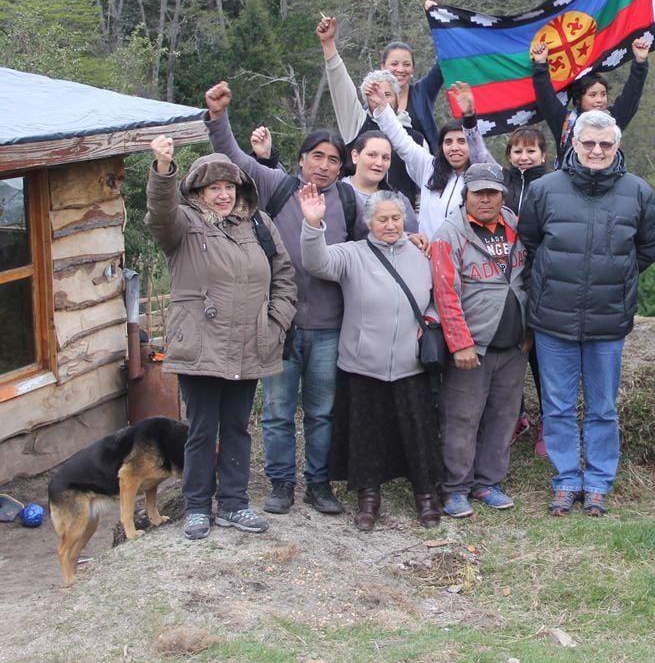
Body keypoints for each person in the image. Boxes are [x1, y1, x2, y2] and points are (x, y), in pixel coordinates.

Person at [203, 81, 350, 517]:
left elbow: (365, 255)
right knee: (278, 412)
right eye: (317, 156)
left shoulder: (348, 201)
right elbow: (236, 158)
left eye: (333, 160)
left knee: (322, 413)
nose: (323, 166)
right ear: (302, 159)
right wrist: (218, 118)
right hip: (279, 324)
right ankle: (281, 484)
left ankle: (319, 485)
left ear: (342, 168)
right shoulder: (278, 186)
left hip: (328, 327)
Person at [144, 136, 297, 540]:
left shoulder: (259, 225)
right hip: (201, 345)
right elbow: (160, 215)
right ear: (198, 192)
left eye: (229, 187)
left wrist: (276, 322)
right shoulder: (184, 225)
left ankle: (233, 503)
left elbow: (284, 275)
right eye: (214, 188)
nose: (224, 195)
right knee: (201, 429)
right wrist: (163, 170)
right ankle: (197, 506)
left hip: (250, 342)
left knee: (237, 427)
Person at [517, 110, 655, 517]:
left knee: (602, 407)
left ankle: (598, 481)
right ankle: (566, 479)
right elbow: (528, 242)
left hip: (607, 318)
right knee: (558, 405)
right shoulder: (545, 189)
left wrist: (617, 277)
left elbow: (649, 247)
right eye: (589, 143)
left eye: (605, 144)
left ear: (616, 147)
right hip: (553, 317)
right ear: (574, 145)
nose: (596, 150)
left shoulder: (637, 192)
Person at [298, 184, 443, 530]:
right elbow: (316, 262)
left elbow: (438, 295)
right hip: (363, 364)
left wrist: (431, 321)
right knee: (367, 434)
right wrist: (312, 224)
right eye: (382, 219)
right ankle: (368, 497)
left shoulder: (422, 253)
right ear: (368, 222)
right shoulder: (352, 254)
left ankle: (425, 495)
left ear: (405, 219)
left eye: (396, 218)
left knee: (418, 434)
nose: (391, 225)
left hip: (411, 364)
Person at [431, 163, 530, 518]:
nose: (486, 199)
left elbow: (530, 278)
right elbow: (445, 292)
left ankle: (488, 482)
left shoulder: (517, 226)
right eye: (479, 193)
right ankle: (456, 487)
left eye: (493, 192)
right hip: (473, 347)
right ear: (466, 195)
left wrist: (528, 331)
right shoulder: (449, 234)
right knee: (461, 419)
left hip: (514, 346)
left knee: (502, 418)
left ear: (503, 194)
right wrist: (460, 343)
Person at [457, 85, 551, 453]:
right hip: (501, 276)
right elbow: (477, 150)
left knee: (540, 358)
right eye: (517, 150)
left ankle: (548, 420)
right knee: (509, 358)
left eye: (531, 150)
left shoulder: (553, 183)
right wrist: (469, 118)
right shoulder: (500, 182)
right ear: (509, 155)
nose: (524, 156)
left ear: (544, 154)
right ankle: (516, 417)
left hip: (539, 278)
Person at [250, 124, 420, 237]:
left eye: (386, 157)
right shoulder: (338, 192)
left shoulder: (398, 202)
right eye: (372, 155)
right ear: (354, 155)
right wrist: (266, 158)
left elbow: (402, 241)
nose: (379, 162)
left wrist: (412, 240)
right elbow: (290, 185)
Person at [316, 11, 442, 149]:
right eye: (394, 64)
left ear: (398, 99)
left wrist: (440, 20)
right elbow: (340, 86)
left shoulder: (416, 141)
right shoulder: (358, 125)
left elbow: (442, 65)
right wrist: (328, 44)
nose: (400, 69)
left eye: (387, 95)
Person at [367, 80, 471, 239]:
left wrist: (470, 116)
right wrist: (382, 107)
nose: (454, 147)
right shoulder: (428, 167)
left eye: (461, 141)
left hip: (465, 259)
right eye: (448, 142)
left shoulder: (479, 176)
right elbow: (401, 140)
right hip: (427, 257)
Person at [530, 37, 650, 165]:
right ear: (578, 98)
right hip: (569, 183)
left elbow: (632, 95)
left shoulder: (614, 119)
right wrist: (541, 64)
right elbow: (545, 98)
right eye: (592, 95)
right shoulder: (564, 121)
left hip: (607, 182)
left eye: (603, 94)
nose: (600, 100)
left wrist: (640, 62)